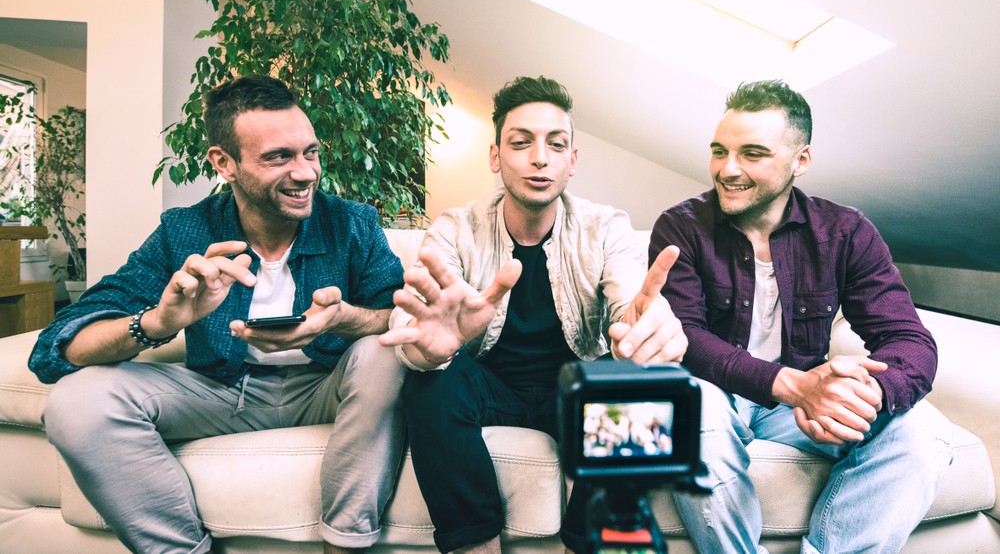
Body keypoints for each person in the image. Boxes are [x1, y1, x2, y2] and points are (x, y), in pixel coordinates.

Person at [28, 75, 406, 554]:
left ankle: (346, 545)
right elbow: (56, 347)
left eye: (310, 152)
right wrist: (158, 323)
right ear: (224, 163)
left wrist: (342, 318)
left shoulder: (352, 222)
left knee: (387, 353)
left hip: (325, 388)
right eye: (278, 157)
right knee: (76, 400)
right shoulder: (185, 230)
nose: (307, 172)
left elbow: (399, 314)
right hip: (223, 393)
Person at [378, 75, 688, 554]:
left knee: (632, 385)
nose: (539, 157)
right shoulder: (456, 227)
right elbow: (414, 322)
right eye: (521, 143)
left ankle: (590, 545)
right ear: (496, 157)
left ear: (572, 161)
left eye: (555, 144)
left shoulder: (605, 226)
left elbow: (630, 300)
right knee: (432, 380)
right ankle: (476, 545)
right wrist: (427, 346)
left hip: (573, 389)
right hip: (490, 388)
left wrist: (643, 324)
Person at [650, 79, 954, 553]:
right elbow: (685, 336)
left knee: (925, 431)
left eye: (752, 154)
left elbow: (908, 339)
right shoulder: (681, 225)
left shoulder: (846, 231)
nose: (727, 169)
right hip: (716, 394)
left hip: (794, 412)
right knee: (694, 413)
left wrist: (863, 394)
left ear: (801, 161)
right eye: (719, 151)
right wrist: (795, 385)